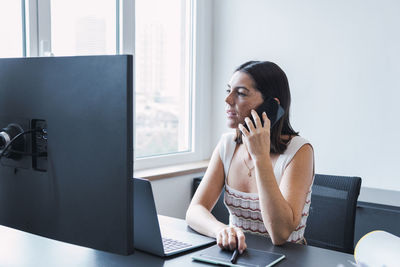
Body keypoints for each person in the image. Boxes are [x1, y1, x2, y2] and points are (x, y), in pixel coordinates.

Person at [186, 61, 314, 254]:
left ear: (272, 105)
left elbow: (280, 235)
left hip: (288, 260)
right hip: (239, 257)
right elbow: (195, 210)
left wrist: (260, 157)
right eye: (229, 90)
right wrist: (221, 230)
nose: (228, 100)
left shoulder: (299, 151)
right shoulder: (227, 145)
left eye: (241, 93)